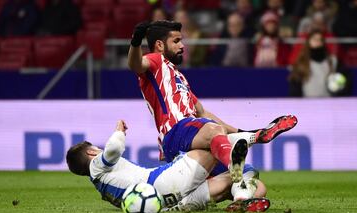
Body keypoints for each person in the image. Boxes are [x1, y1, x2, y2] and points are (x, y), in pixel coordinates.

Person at [127, 20, 297, 183]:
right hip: (175, 131)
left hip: (192, 133)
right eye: (176, 41)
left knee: (251, 176)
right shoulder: (156, 60)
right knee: (213, 130)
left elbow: (202, 112)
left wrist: (237, 130)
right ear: (159, 45)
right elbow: (136, 65)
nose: (182, 45)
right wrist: (135, 43)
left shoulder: (179, 78)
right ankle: (243, 151)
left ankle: (240, 196)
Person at [66, 119, 269, 212]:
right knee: (209, 145)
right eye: (97, 148)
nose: (100, 149)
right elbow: (113, 149)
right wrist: (119, 131)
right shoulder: (96, 166)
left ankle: (242, 198)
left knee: (254, 183)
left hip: (165, 204)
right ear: (91, 152)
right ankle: (253, 136)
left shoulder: (102, 187)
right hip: (158, 183)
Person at [288, 30, 351, 97]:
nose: (317, 42)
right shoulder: (301, 63)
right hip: (308, 104)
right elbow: (295, 87)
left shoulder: (333, 61)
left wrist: (340, 91)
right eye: (314, 39)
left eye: (320, 39)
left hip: (330, 103)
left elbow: (345, 82)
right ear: (308, 42)